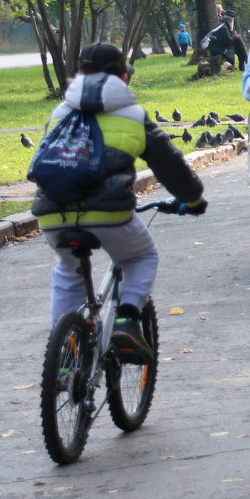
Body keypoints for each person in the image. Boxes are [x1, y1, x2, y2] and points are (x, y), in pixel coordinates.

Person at [33, 43, 207, 357]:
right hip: (108, 214)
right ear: (123, 77)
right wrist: (193, 200)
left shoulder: (59, 112)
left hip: (52, 214)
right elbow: (170, 167)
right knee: (141, 257)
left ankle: (64, 353)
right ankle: (126, 319)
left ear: (80, 74)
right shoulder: (132, 115)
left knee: (68, 269)